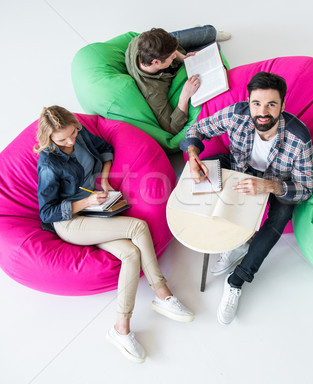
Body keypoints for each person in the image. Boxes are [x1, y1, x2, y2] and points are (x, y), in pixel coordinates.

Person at [35, 105, 194, 363]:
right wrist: (85, 203)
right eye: (62, 139)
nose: (70, 141)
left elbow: (105, 149)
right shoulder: (48, 164)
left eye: (72, 134)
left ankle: (121, 329)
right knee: (138, 227)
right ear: (49, 137)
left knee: (130, 254)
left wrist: (105, 180)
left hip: (95, 204)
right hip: (71, 220)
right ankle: (163, 293)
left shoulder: (80, 132)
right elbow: (48, 212)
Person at [180, 72, 313, 325]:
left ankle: (237, 279)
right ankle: (234, 243)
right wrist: (193, 155)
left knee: (281, 215)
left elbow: (305, 188)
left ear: (283, 106)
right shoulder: (236, 114)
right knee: (200, 171)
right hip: (240, 168)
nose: (262, 112)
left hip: (277, 181)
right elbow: (196, 129)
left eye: (271, 104)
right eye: (256, 103)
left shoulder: (299, 137)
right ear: (249, 102)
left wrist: (267, 186)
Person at [125, 25, 231, 135]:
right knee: (216, 47)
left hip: (163, 49)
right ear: (156, 62)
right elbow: (172, 127)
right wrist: (184, 96)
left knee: (209, 32)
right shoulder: (152, 91)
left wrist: (184, 58)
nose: (174, 56)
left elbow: (172, 51)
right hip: (162, 61)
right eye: (171, 56)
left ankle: (193, 41)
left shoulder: (143, 40)